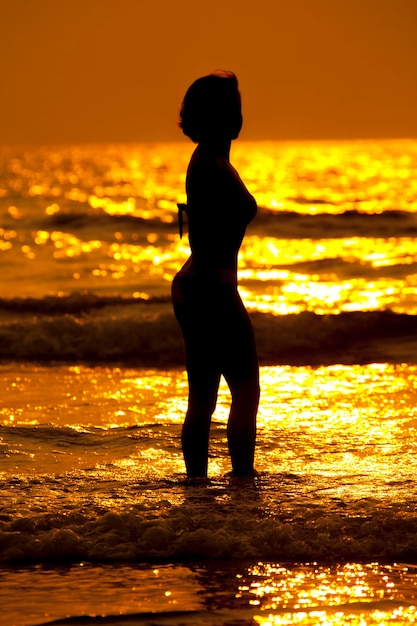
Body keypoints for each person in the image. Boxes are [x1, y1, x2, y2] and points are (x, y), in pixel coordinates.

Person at [172, 70, 260, 479]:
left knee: (203, 397)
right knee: (245, 390)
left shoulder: (209, 160)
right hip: (212, 285)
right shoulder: (212, 164)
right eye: (232, 109)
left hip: (198, 285)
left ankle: (198, 488)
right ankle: (243, 481)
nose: (240, 117)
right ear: (218, 116)